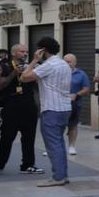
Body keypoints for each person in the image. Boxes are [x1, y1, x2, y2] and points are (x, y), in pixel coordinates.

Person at [17, 37, 72, 186]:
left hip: (51, 109)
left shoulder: (48, 65)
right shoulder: (64, 64)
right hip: (65, 108)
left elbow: (23, 77)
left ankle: (58, 177)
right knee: (59, 143)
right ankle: (63, 175)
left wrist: (34, 61)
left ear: (42, 50)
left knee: (53, 145)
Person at [0, 44, 42, 174]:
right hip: (11, 106)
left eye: (26, 52)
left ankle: (27, 165)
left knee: (29, 137)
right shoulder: (4, 66)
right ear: (14, 53)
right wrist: (14, 74)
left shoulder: (31, 66)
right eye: (22, 52)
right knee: (7, 137)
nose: (25, 54)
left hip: (28, 106)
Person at [63, 53, 91, 156]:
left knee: (73, 125)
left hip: (75, 104)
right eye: (65, 61)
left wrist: (76, 94)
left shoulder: (81, 74)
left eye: (69, 61)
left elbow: (86, 89)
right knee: (58, 126)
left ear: (75, 63)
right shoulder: (58, 72)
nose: (67, 63)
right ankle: (54, 147)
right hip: (59, 104)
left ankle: (71, 146)